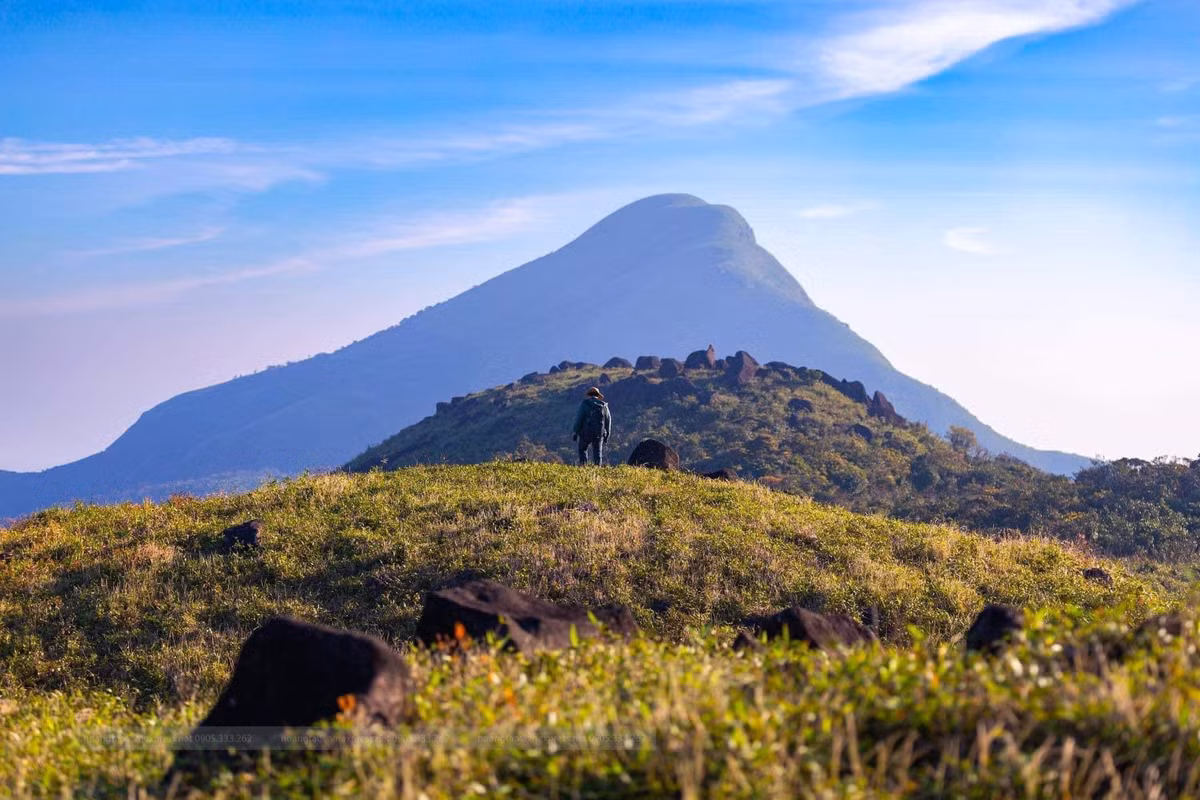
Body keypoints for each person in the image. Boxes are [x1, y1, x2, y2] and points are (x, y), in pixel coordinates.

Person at [572, 387, 611, 466]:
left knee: (582, 449)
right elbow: (608, 421)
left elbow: (579, 419)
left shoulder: (585, 404)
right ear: (597, 395)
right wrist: (607, 435)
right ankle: (597, 470)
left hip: (585, 433)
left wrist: (576, 432)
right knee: (597, 452)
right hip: (599, 433)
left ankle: (583, 467)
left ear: (589, 395)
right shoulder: (604, 406)